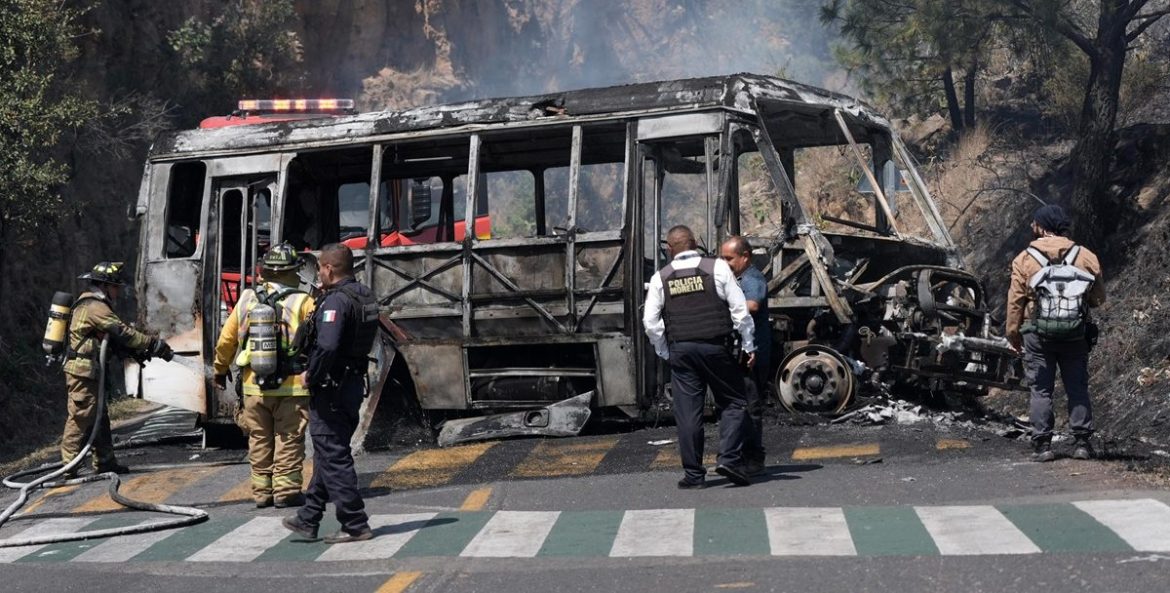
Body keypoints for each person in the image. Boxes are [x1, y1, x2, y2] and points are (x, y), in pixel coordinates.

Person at [644, 225, 756, 489]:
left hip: (681, 351)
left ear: (670, 249)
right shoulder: (716, 268)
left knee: (688, 414)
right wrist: (749, 346)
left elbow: (650, 322)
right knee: (734, 401)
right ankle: (728, 458)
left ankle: (694, 476)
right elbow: (740, 311)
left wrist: (664, 351)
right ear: (694, 243)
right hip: (716, 347)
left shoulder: (661, 277)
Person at [282, 243, 378, 543]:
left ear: (330, 269)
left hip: (331, 390)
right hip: (350, 386)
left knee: (334, 456)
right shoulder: (364, 296)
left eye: (320, 267)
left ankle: (354, 522)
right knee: (328, 453)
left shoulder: (336, 302)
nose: (318, 273)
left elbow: (327, 346)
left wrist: (313, 374)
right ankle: (309, 518)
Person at [213, 243, 316, 508]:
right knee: (289, 438)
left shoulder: (247, 299)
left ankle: (261, 493)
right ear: (294, 271)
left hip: (253, 386)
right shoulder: (305, 301)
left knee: (258, 439)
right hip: (292, 388)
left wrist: (219, 370)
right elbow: (317, 342)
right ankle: (286, 491)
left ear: (265, 271)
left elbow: (226, 340)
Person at [1005, 204, 1105, 462]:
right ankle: (1082, 443)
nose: (1031, 226)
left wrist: (1013, 335)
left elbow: (1015, 301)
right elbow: (1098, 298)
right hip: (1075, 334)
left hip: (1037, 335)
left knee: (1041, 389)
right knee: (1077, 387)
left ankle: (1043, 445)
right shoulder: (1086, 256)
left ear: (1041, 226)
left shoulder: (1024, 258)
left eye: (1034, 223)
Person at [62, 262, 173, 475]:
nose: (118, 291)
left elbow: (112, 339)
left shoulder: (97, 304)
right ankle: (68, 466)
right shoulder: (94, 306)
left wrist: (135, 352)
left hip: (92, 370)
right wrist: (152, 344)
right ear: (105, 286)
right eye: (116, 287)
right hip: (82, 372)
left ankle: (104, 462)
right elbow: (122, 332)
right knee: (81, 415)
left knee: (99, 416)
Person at [720, 235, 769, 476]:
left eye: (729, 258)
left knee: (751, 407)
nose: (725, 263)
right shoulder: (734, 278)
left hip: (754, 352)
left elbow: (752, 305)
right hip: (739, 351)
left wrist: (720, 307)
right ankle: (737, 457)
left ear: (745, 257)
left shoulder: (752, 278)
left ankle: (754, 458)